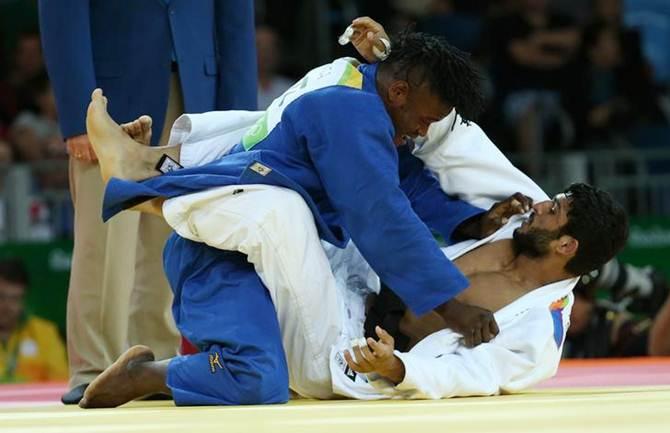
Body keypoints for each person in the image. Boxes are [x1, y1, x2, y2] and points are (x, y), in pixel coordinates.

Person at [77, 28, 523, 407]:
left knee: (260, 379)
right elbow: (381, 215)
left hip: (257, 243)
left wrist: (468, 222)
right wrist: (452, 307)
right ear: (400, 91)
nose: (423, 131)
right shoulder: (349, 109)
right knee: (276, 208)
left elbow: (403, 180)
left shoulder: (362, 91)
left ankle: (150, 373)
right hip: (219, 256)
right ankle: (143, 177)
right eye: (425, 119)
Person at [77, 105, 628, 404]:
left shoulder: (539, 333)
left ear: (566, 246)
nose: (538, 206)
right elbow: (458, 141)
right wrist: (388, 64)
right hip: (345, 290)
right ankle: (162, 162)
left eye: (552, 210)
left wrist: (399, 365)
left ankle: (148, 191)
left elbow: (473, 372)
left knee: (280, 214)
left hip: (348, 357)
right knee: (319, 121)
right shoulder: (511, 214)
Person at [38, 0, 258, 404]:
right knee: (105, 241)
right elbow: (61, 14)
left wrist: (240, 119)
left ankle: (150, 363)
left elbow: (236, 22)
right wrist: (77, 113)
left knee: (174, 231)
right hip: (111, 93)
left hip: (197, 92)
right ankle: (94, 366)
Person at [0, 258, 68, 383]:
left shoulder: (46, 332)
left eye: (14, 298)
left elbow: (60, 381)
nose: (6, 306)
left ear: (24, 299)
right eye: (1, 296)